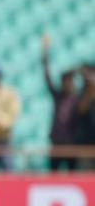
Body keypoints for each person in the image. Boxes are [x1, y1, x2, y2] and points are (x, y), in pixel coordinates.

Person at [41, 35, 79, 171]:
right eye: (64, 81)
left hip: (71, 143)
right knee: (54, 174)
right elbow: (47, 77)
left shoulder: (77, 99)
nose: (67, 84)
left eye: (69, 81)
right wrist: (45, 53)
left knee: (72, 174)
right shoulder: (58, 96)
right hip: (57, 142)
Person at [75, 64, 95, 170]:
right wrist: (90, 90)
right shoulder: (82, 92)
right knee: (87, 177)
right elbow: (81, 110)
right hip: (87, 145)